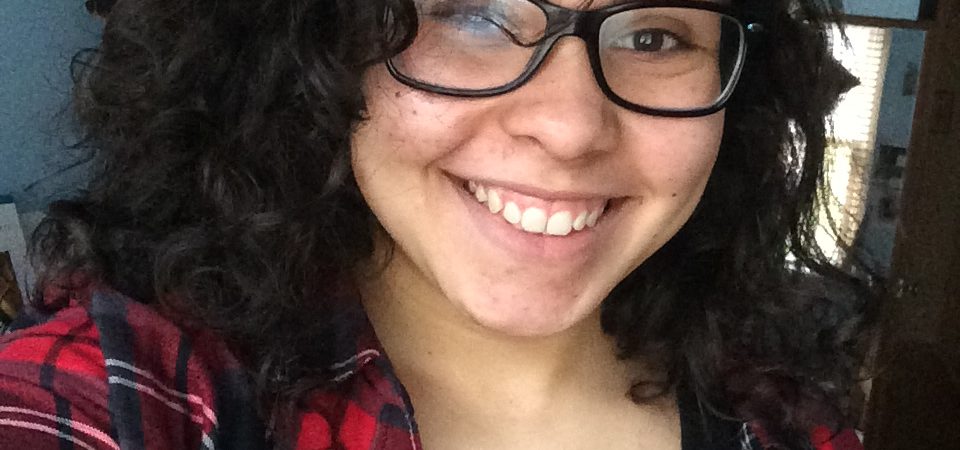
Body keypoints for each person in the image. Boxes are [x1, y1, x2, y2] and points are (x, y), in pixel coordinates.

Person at [0, 0, 873, 448]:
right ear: (313, 47)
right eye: (473, 14)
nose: (570, 126)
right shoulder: (132, 396)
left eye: (654, 37)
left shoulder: (785, 420)